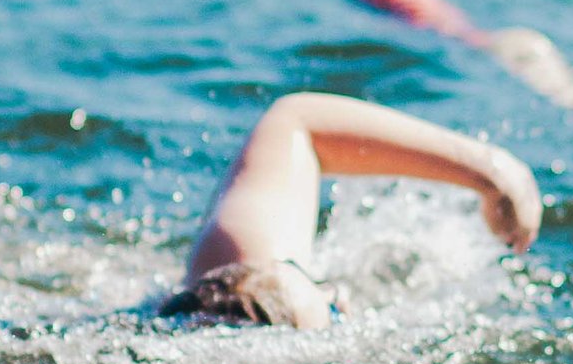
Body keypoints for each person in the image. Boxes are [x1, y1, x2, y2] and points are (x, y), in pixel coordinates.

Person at [163, 93, 540, 327]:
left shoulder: (222, 288)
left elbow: (295, 122)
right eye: (333, 314)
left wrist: (495, 174)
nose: (335, 294)